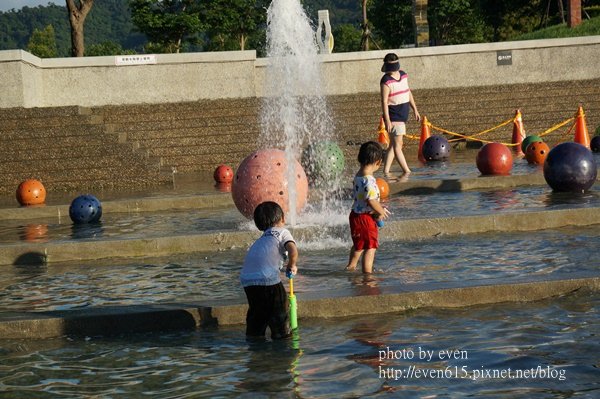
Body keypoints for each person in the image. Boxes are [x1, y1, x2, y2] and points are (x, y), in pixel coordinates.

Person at [240, 201, 298, 340]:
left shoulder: (260, 240)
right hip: (268, 279)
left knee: (257, 313)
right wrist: (292, 264)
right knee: (279, 313)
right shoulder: (282, 232)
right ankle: (282, 338)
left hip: (248, 280)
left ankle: (255, 337)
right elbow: (292, 249)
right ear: (282, 218)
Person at [345, 141, 391, 274]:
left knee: (358, 245)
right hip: (366, 219)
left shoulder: (358, 176)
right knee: (370, 248)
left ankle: (351, 266)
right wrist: (380, 211)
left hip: (355, 216)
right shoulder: (369, 180)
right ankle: (367, 275)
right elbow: (370, 200)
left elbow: (363, 198)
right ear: (378, 162)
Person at [380, 52, 421, 179]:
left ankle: (386, 171)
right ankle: (407, 171)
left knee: (393, 144)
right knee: (398, 145)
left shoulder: (403, 75)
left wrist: (415, 109)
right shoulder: (386, 81)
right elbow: (384, 101)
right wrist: (387, 120)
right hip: (394, 115)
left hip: (404, 113)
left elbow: (408, 92)